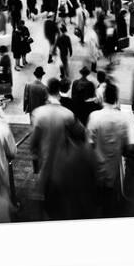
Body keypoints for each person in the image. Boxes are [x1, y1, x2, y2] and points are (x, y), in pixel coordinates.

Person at [30, 78, 92, 219]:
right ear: (58, 92)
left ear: (47, 91)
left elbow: (33, 144)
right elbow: (82, 133)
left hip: (44, 164)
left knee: (46, 202)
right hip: (63, 166)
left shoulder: (38, 114)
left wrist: (35, 160)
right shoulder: (67, 114)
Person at [87, 83, 129, 217]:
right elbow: (126, 148)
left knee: (96, 199)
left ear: (103, 97)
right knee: (109, 200)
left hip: (97, 166)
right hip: (113, 169)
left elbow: (89, 143)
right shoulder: (122, 119)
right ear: (116, 98)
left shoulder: (95, 116)